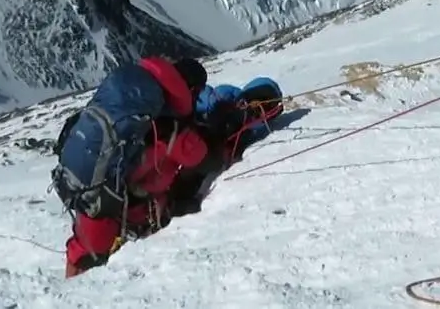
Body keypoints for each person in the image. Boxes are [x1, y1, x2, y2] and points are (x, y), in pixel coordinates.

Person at [50, 55, 223, 278]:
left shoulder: (134, 100)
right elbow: (200, 156)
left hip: (89, 179)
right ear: (190, 89)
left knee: (84, 249)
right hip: (109, 197)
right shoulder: (166, 123)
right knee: (91, 255)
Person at [166, 76, 285, 217]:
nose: (260, 110)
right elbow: (206, 98)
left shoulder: (254, 127)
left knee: (207, 161)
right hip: (188, 130)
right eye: (260, 102)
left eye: (266, 108)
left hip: (204, 145)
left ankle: (174, 198)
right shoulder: (228, 96)